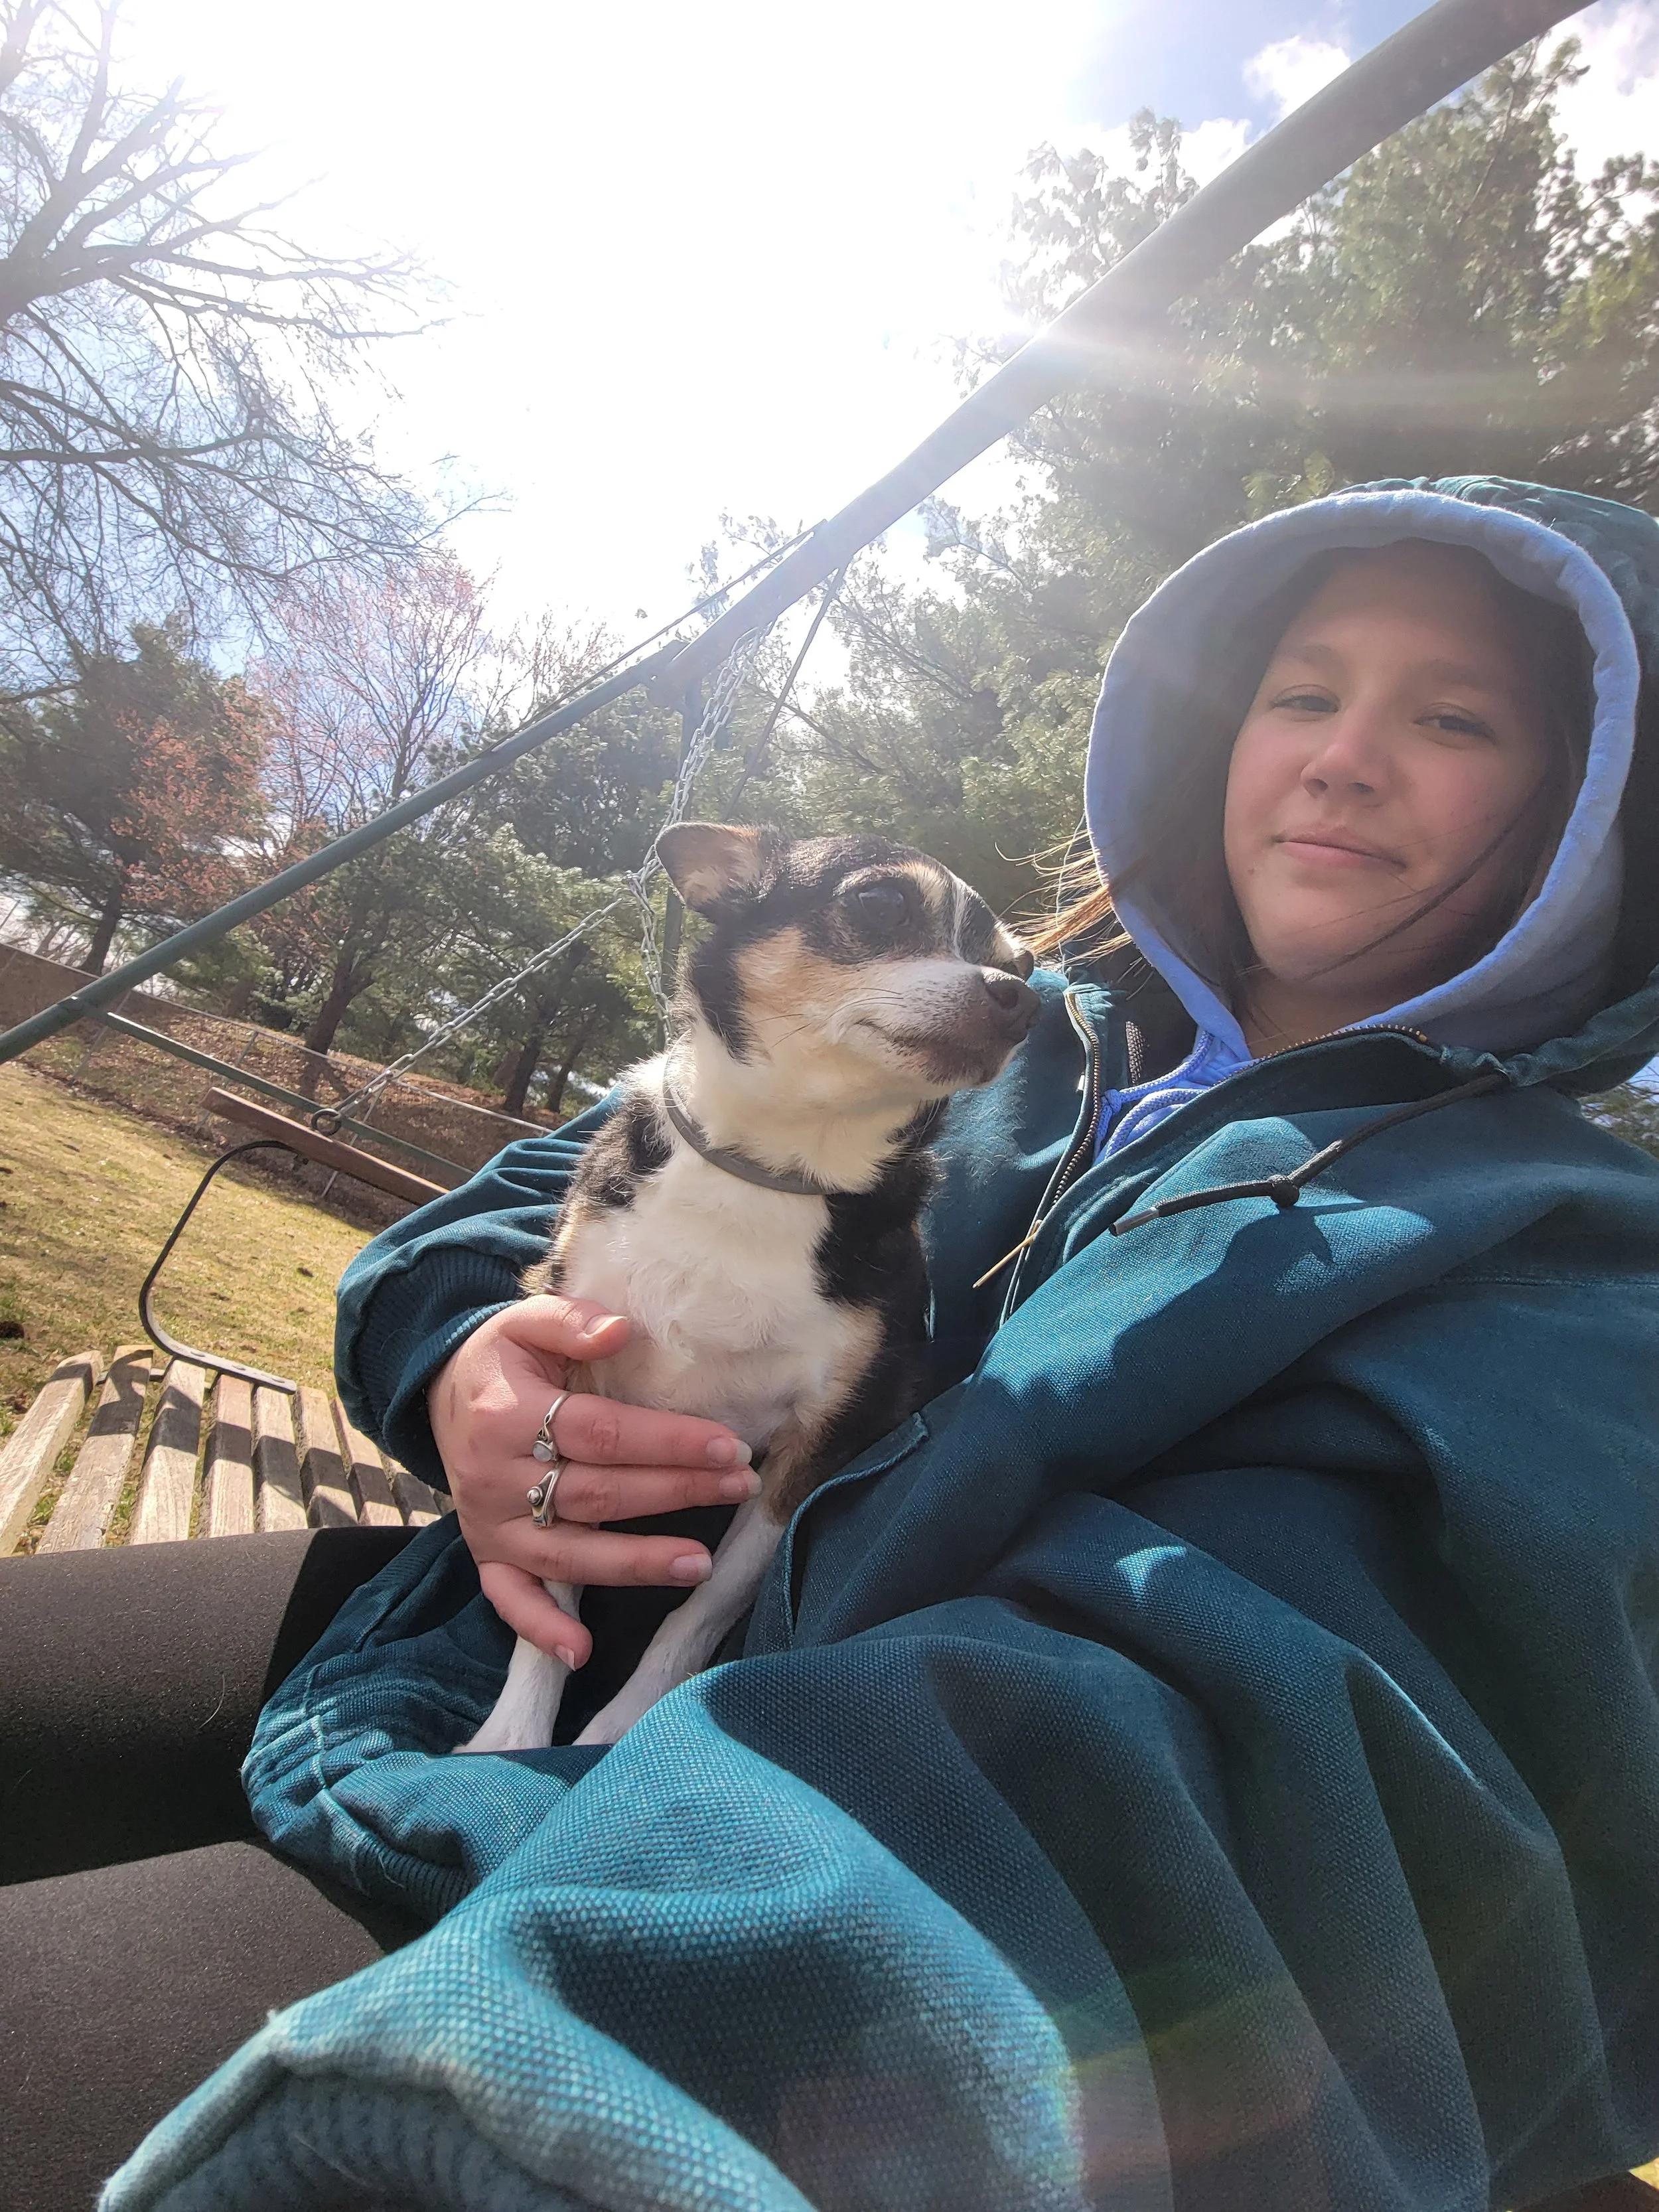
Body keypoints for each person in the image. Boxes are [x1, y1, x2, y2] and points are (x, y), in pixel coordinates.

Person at [7, 476, 1658, 2212]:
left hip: (761, 1894)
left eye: (1453, 716)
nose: (1340, 755)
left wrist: (617, 2077)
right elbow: (518, 1199)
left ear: (1592, 811)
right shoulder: (1007, 1036)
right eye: (1301, 691)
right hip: (445, 1641)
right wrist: (477, 1351)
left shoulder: (1560, 1279)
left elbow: (1223, 1755)